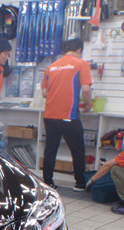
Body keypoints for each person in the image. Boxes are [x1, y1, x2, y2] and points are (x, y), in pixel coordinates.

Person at [42, 38, 93, 191]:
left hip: (50, 115)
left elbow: (44, 92)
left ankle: (47, 182)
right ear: (79, 50)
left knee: (50, 149)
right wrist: (88, 105)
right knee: (77, 151)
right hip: (69, 116)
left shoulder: (50, 67)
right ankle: (80, 183)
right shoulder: (81, 64)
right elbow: (86, 90)